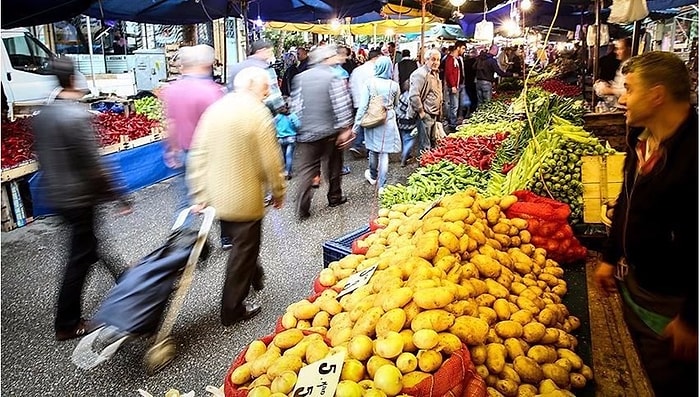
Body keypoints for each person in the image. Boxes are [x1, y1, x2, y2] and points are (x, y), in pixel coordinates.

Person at [593, 51, 698, 396]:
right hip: (636, 282)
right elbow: (626, 198)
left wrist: (691, 319)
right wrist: (610, 257)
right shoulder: (640, 139)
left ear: (656, 95)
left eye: (629, 89)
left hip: (674, 305)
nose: (621, 98)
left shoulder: (692, 155)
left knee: (666, 382)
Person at [32, 57, 133, 341]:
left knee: (90, 243)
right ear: (74, 80)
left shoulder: (43, 114)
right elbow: (95, 165)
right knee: (79, 257)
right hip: (79, 197)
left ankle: (126, 280)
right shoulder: (76, 116)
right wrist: (120, 196)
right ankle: (67, 322)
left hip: (58, 195)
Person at [187, 66, 286, 326]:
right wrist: (278, 191)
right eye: (265, 87)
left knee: (243, 243)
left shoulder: (216, 109)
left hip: (216, 196)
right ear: (254, 86)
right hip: (244, 197)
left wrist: (199, 192)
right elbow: (271, 161)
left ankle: (256, 276)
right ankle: (232, 309)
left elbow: (198, 153)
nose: (267, 92)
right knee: (244, 250)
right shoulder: (257, 113)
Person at [161, 45, 225, 242]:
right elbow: (219, 127)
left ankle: (180, 245)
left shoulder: (171, 90)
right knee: (217, 194)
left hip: (182, 150)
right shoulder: (212, 91)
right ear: (206, 64)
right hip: (207, 155)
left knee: (184, 201)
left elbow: (170, 123)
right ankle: (226, 237)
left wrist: (171, 148)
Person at [290, 45, 354, 221]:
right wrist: (345, 128)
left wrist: (301, 127)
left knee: (307, 170)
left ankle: (302, 207)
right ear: (325, 59)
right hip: (329, 131)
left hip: (306, 133)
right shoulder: (333, 77)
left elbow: (296, 106)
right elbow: (341, 105)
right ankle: (334, 197)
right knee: (333, 165)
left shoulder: (300, 78)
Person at [353, 56, 401, 190]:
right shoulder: (394, 85)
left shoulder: (369, 83)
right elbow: (396, 104)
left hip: (373, 120)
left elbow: (363, 107)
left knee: (373, 150)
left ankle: (373, 176)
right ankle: (382, 185)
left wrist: (356, 126)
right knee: (384, 153)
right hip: (388, 120)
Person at [227, 39, 285, 114]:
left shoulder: (236, 67)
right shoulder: (266, 68)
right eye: (270, 51)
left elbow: (230, 90)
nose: (271, 54)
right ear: (262, 50)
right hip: (260, 115)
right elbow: (274, 98)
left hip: (237, 113)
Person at [407, 48, 443, 153]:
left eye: (438, 60)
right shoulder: (420, 74)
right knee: (425, 146)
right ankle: (423, 166)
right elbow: (414, 95)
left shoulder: (435, 73)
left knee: (432, 142)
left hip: (434, 113)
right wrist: (421, 112)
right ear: (426, 60)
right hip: (426, 114)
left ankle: (428, 165)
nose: (436, 62)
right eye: (433, 59)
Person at [349, 49, 381, 158]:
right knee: (371, 125)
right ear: (376, 58)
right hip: (370, 101)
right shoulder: (375, 70)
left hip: (357, 101)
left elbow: (351, 85)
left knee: (361, 123)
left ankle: (357, 144)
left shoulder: (357, 70)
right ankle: (367, 148)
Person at [595, 37, 632, 108]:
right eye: (616, 49)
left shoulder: (632, 67)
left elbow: (630, 91)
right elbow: (621, 85)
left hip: (625, 108)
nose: (615, 51)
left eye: (620, 49)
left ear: (629, 49)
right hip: (618, 106)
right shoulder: (623, 64)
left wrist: (610, 90)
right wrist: (608, 85)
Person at [274, 101, 299, 179]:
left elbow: (272, 125)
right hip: (291, 138)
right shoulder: (292, 116)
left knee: (284, 154)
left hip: (281, 138)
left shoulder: (278, 117)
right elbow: (298, 125)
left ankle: (285, 168)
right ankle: (288, 172)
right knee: (289, 155)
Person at [396, 79, 418, 167]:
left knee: (405, 138)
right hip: (410, 122)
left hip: (401, 121)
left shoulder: (402, 96)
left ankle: (406, 154)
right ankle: (404, 157)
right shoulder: (412, 98)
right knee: (410, 140)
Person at [443, 45, 462, 132]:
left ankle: (452, 121)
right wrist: (453, 85)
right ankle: (452, 123)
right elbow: (449, 73)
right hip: (452, 86)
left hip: (454, 85)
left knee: (454, 105)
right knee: (454, 105)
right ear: (453, 51)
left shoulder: (454, 59)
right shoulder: (450, 60)